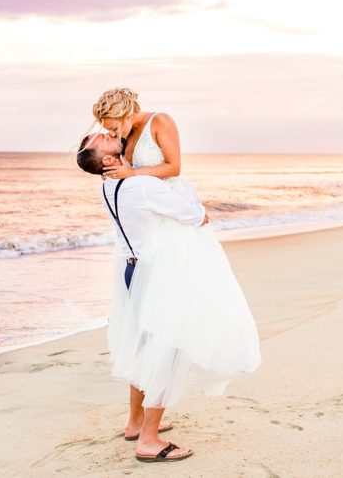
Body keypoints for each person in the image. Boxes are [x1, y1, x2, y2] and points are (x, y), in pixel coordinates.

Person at [76, 131, 261, 463]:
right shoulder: (142, 186)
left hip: (133, 273)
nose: (105, 133)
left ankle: (135, 422)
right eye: (98, 139)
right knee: (167, 350)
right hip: (158, 275)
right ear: (107, 160)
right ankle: (148, 439)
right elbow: (196, 215)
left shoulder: (109, 186)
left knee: (145, 345)